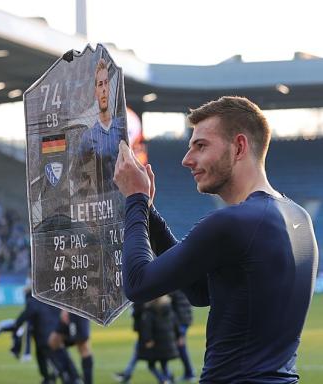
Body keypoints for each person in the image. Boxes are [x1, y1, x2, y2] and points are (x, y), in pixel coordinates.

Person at [113, 96, 319, 383]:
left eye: (201, 146)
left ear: (239, 147)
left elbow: (138, 284)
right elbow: (200, 292)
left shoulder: (233, 222)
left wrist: (134, 200)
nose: (187, 160)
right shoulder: (298, 216)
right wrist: (148, 211)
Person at [76, 57, 127, 196]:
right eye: (100, 84)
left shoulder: (123, 128)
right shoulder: (88, 137)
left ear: (110, 89)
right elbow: (80, 177)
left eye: (106, 84)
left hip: (124, 205)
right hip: (102, 208)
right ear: (95, 92)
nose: (104, 89)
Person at [136, 295, 181, 384]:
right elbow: (176, 324)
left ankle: (163, 380)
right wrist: (178, 336)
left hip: (155, 344)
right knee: (164, 364)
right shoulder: (169, 309)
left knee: (151, 365)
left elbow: (147, 328)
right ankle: (168, 380)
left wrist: (148, 340)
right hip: (167, 342)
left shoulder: (149, 312)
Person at [49, 311, 94, 384]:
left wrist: (66, 309)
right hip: (68, 308)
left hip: (78, 310)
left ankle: (87, 381)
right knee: (53, 341)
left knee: (83, 347)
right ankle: (73, 377)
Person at [169, 290, 195, 382]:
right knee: (181, 347)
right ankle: (189, 373)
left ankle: (190, 373)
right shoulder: (181, 284)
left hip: (181, 321)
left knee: (181, 347)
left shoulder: (175, 288)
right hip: (184, 320)